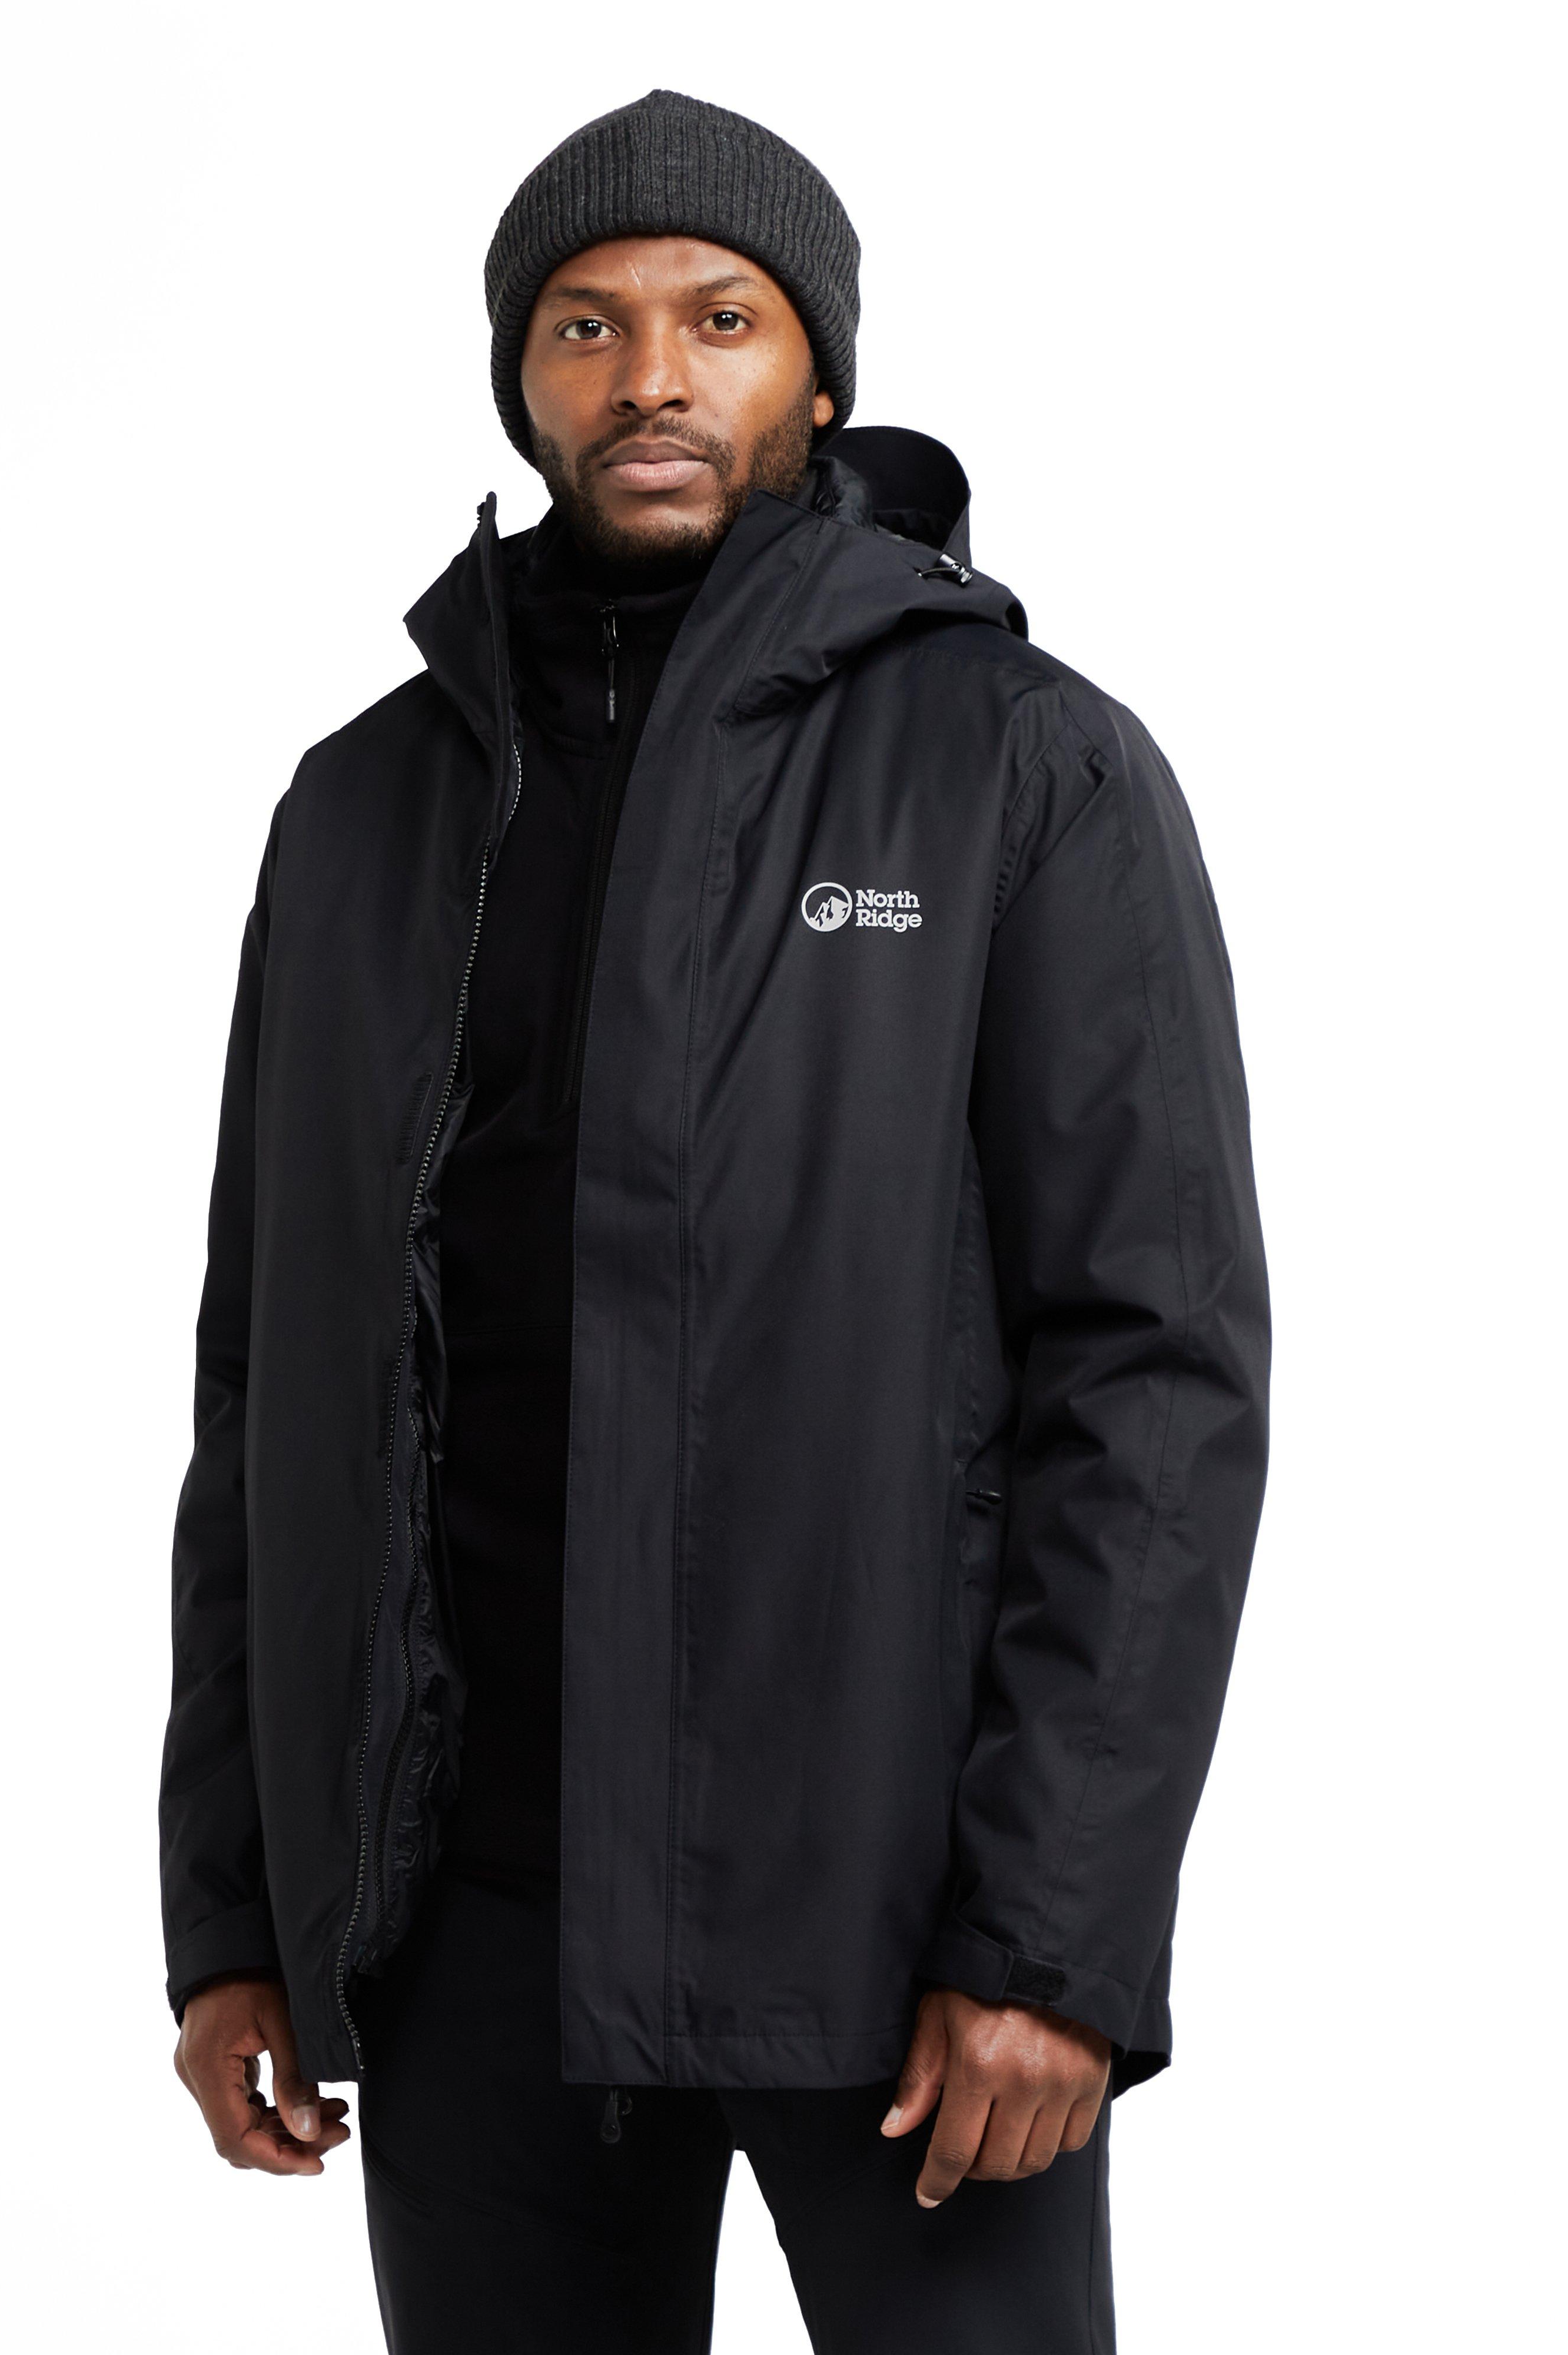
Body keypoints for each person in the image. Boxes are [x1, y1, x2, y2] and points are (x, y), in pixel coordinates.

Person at [160, 88, 1271, 2353]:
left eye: (720, 319)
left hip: (894, 1936)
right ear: (523, 378)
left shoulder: (1019, 763)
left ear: (820, 378)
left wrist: (1052, 1941)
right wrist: (239, 1909)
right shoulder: (361, 809)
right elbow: (266, 1383)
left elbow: (1151, 1378)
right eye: (586, 325)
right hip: (466, 1932)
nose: (650, 376)